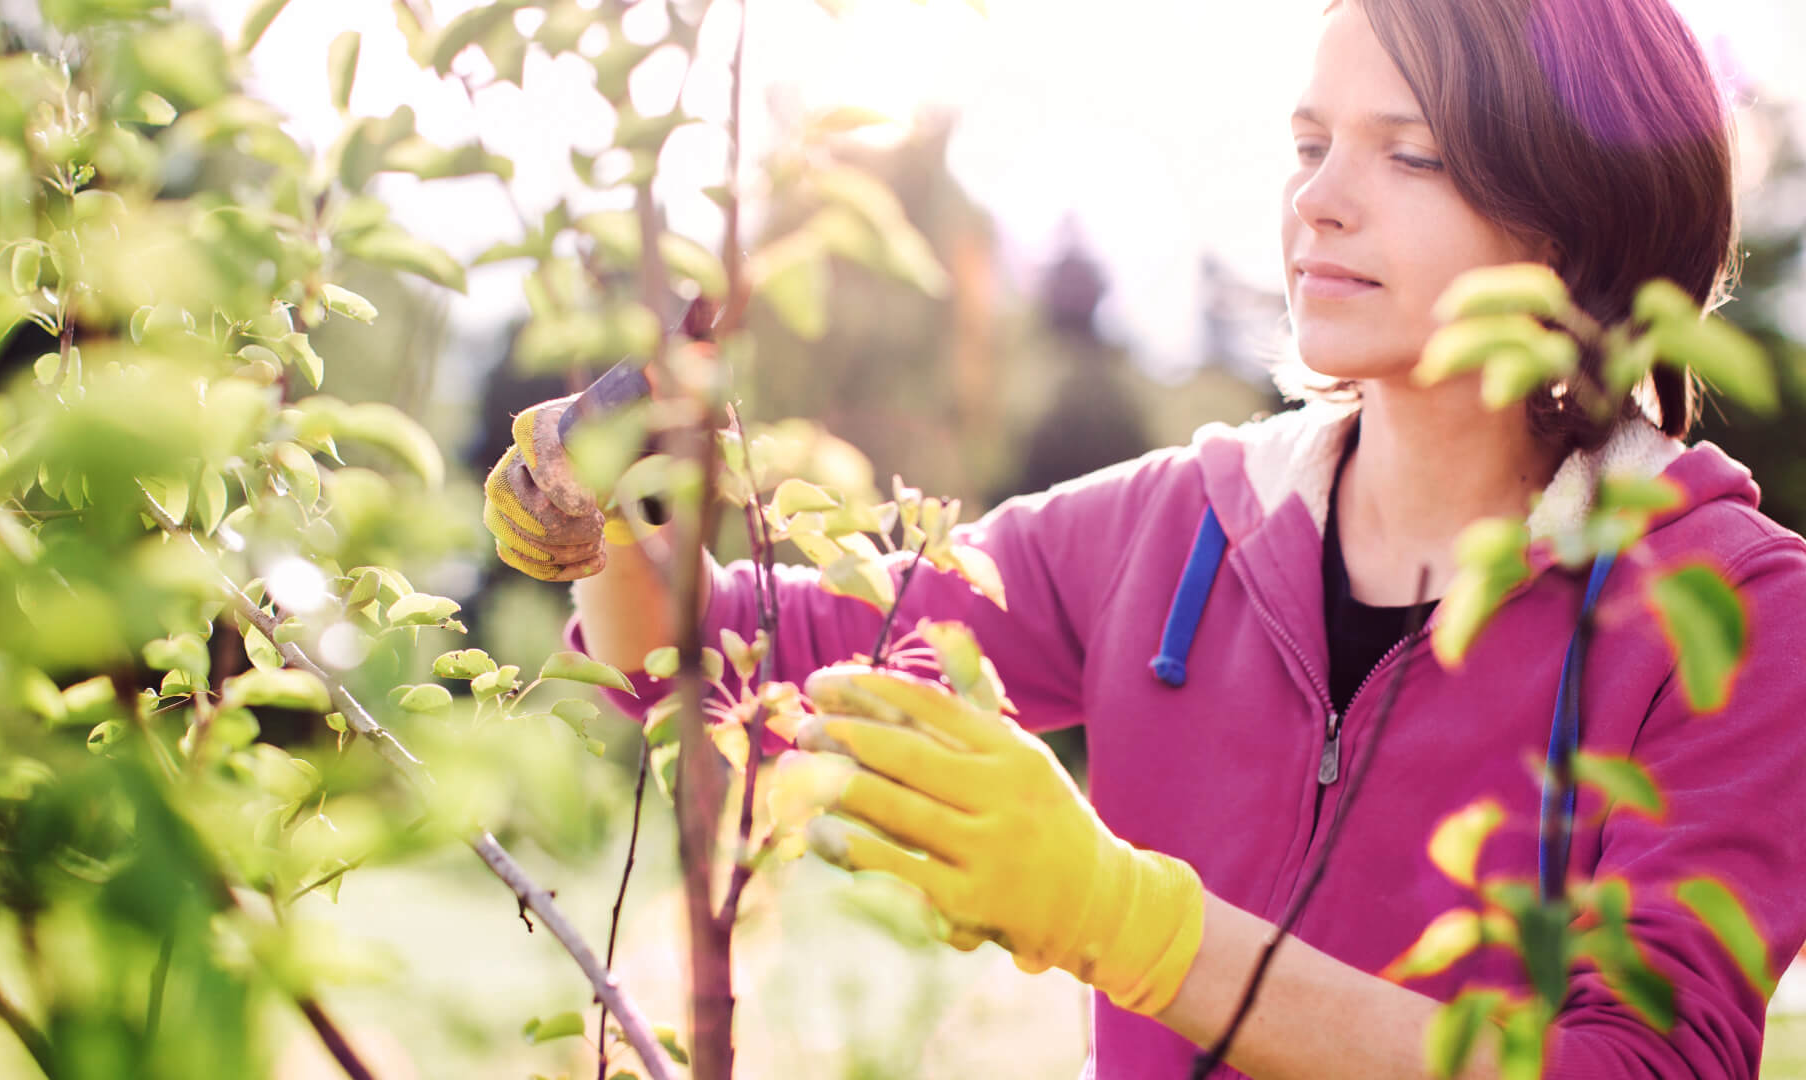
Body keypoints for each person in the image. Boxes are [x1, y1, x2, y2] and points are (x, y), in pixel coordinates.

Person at [481, 0, 1806, 1075]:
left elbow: (1642, 1067)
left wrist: (1129, 922)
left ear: (1580, 209)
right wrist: (601, 523)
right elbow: (769, 660)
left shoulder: (1735, 614)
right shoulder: (1181, 527)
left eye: (1411, 154)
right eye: (1307, 146)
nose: (1321, 203)